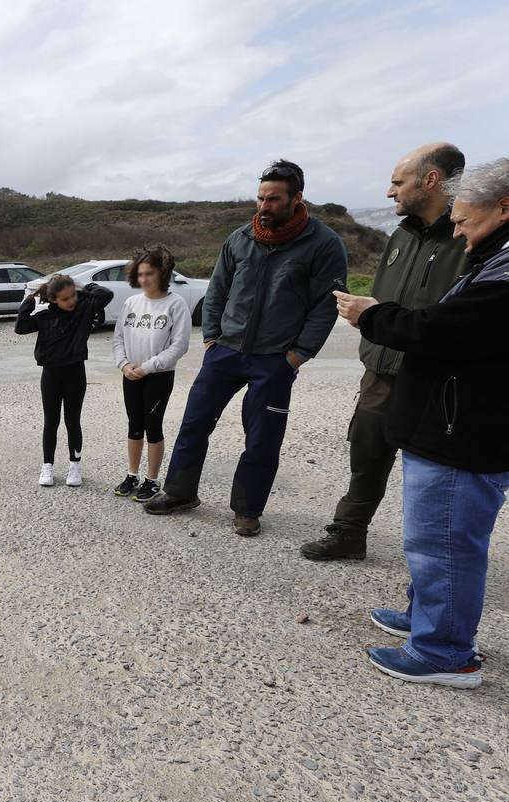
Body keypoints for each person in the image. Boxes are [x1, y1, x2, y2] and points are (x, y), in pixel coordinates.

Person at [335, 158, 509, 688]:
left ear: (504, 207)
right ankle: (428, 618)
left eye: (466, 220)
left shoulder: (504, 272)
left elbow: (440, 330)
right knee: (433, 538)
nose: (458, 231)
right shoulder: (493, 257)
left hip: (461, 434)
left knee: (445, 543)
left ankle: (445, 651)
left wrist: (371, 314)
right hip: (450, 425)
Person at [144, 160, 347, 536]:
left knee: (262, 440)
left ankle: (247, 509)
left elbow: (325, 305)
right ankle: (179, 492)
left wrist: (298, 354)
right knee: (193, 425)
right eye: (260, 198)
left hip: (275, 359)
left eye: (273, 199)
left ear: (296, 198)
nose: (264, 206)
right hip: (226, 352)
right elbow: (218, 290)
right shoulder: (240, 238)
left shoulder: (323, 244)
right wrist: (212, 337)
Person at [300, 143, 466, 561]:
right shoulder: (399, 235)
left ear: (430, 180)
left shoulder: (468, 237)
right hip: (380, 370)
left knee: (434, 473)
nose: (390, 192)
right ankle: (349, 532)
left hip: (435, 377)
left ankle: (435, 562)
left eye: (397, 182)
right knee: (367, 452)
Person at [15, 275, 115, 487]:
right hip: (51, 375)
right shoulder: (45, 317)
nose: (71, 301)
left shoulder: (84, 310)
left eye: (73, 296)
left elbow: (106, 294)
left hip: (75, 373)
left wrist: (79, 284)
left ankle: (75, 465)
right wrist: (29, 298)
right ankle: (47, 466)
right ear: (53, 300)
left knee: (72, 420)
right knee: (51, 421)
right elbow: (21, 326)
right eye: (65, 298)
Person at [112, 245, 191, 501]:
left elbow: (179, 346)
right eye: (141, 273)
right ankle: (132, 474)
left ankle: (152, 480)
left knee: (152, 427)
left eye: (150, 273)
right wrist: (124, 365)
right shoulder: (131, 302)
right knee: (134, 426)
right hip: (130, 374)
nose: (144, 279)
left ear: (163, 274)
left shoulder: (175, 304)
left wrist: (146, 367)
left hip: (158, 376)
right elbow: (118, 339)